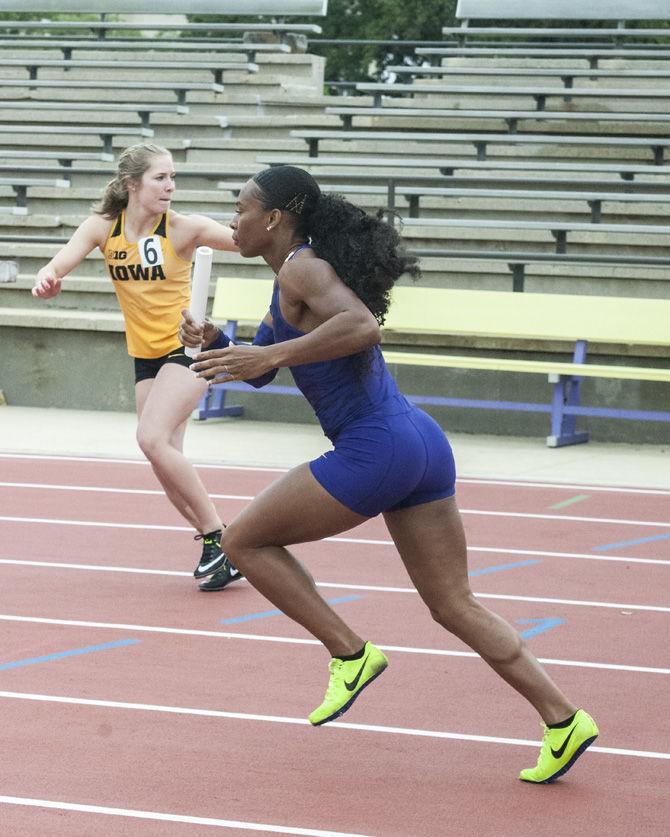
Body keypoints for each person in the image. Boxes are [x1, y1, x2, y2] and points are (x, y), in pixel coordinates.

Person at [181, 165, 599, 783]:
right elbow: (268, 368)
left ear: (273, 219)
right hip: (418, 442)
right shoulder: (289, 276)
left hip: (376, 445)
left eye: (240, 208)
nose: (233, 219)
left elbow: (360, 328)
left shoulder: (301, 267)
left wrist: (270, 352)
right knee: (454, 604)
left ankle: (350, 653)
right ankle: (564, 720)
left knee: (242, 541)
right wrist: (224, 340)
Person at [32, 142, 242, 589]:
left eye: (172, 178)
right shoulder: (103, 228)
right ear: (132, 184)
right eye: (160, 178)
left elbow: (248, 244)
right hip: (145, 357)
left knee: (150, 438)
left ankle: (220, 539)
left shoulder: (184, 229)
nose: (170, 186)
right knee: (163, 460)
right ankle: (221, 546)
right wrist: (46, 281)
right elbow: (57, 266)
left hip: (187, 351)